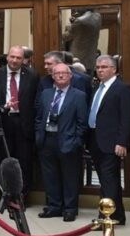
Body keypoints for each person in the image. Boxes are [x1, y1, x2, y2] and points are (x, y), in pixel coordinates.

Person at [35, 63, 89, 222]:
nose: (60, 76)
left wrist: (76, 141)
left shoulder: (78, 95)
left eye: (63, 73)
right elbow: (39, 117)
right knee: (50, 175)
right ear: (52, 76)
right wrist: (39, 136)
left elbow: (82, 123)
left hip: (68, 141)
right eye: (56, 73)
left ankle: (70, 208)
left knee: (70, 177)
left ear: (70, 75)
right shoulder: (46, 94)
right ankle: (54, 206)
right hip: (47, 140)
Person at [87, 55, 130, 225]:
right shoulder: (96, 88)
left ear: (114, 69)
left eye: (104, 67)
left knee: (109, 180)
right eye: (98, 67)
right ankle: (118, 216)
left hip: (112, 142)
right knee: (106, 180)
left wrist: (122, 142)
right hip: (95, 140)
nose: (100, 70)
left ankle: (106, 217)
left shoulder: (123, 89)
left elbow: (126, 118)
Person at [0, 45, 37, 197]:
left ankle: (22, 197)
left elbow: (34, 101)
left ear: (23, 59)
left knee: (24, 161)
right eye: (12, 57)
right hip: (3, 121)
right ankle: (4, 196)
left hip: (23, 123)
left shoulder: (32, 75)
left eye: (18, 58)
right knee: (3, 159)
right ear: (7, 57)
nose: (14, 60)